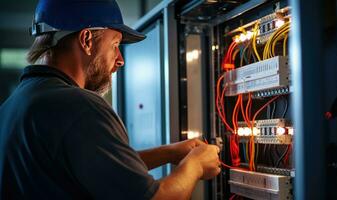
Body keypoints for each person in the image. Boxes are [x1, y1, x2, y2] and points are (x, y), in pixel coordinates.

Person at [0, 0, 221, 199]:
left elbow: (93, 166)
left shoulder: (15, 104)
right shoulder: (78, 106)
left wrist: (169, 153)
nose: (120, 60)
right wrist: (196, 165)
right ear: (86, 40)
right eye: (115, 45)